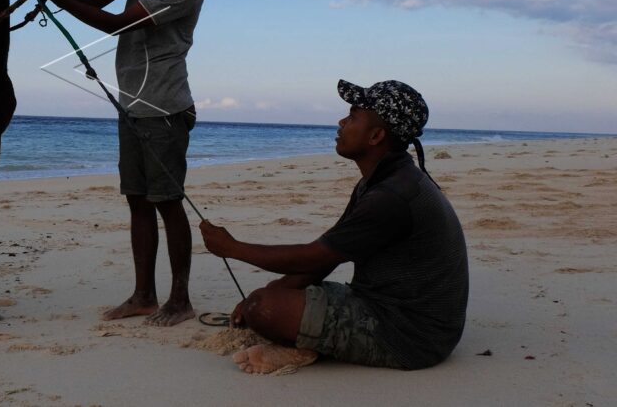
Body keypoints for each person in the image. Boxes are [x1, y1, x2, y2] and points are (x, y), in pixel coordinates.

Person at [33, 0, 212, 326]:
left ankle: (180, 300)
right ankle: (143, 295)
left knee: (168, 203)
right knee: (136, 200)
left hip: (166, 109)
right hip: (132, 104)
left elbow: (114, 23)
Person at [199, 79, 468, 371]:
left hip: (411, 337)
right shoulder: (383, 180)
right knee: (264, 299)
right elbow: (328, 254)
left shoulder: (391, 196)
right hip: (388, 307)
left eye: (352, 117)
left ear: (376, 135)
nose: (341, 122)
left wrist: (233, 248)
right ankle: (308, 333)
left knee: (264, 309)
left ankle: (304, 348)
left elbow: (314, 256)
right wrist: (271, 287)